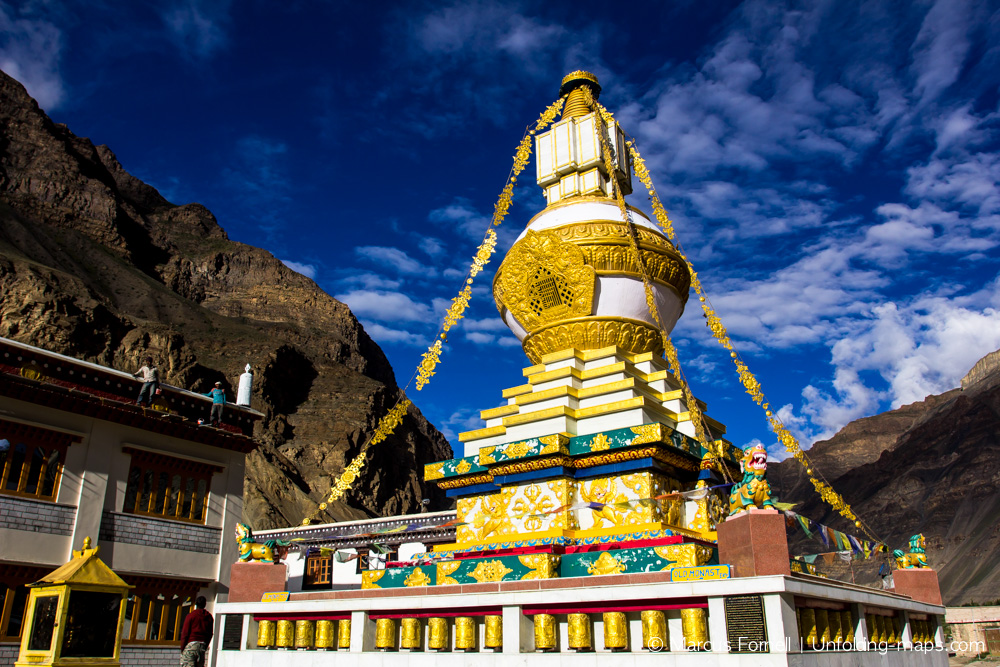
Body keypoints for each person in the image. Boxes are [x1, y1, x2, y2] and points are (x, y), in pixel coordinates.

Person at [179, 596, 213, 667]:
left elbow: (185, 633)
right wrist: (205, 646)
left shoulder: (191, 616)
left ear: (196, 604)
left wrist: (183, 648)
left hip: (191, 646)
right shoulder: (209, 617)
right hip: (202, 647)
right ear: (205, 604)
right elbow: (210, 634)